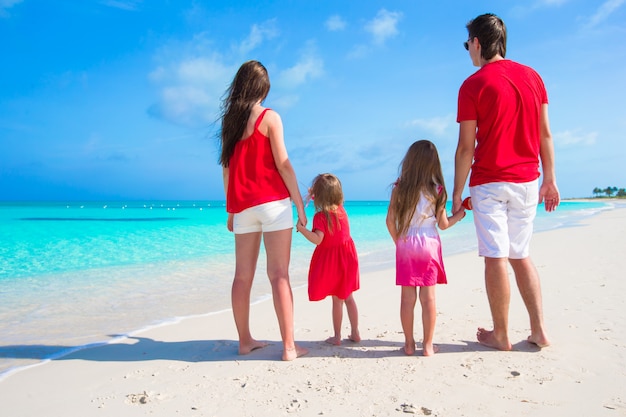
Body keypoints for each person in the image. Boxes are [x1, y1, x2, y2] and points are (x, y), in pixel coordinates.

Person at [453, 13, 560, 351]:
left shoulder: (473, 84)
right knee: (520, 254)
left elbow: (466, 148)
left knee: (496, 257)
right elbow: (545, 134)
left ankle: (501, 335)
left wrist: (456, 194)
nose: (468, 50)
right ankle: (539, 330)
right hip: (528, 180)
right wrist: (551, 179)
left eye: (467, 43)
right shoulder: (533, 77)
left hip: (489, 182)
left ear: (478, 43)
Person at [219, 60, 308, 361]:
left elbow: (227, 171)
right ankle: (289, 347)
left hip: (243, 208)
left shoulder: (229, 123)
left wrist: (231, 210)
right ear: (263, 88)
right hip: (273, 205)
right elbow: (283, 163)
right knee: (279, 275)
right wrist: (298, 202)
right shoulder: (270, 118)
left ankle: (245, 341)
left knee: (241, 277)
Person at [386, 140, 466, 356]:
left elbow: (390, 222)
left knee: (407, 298)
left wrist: (399, 243)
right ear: (434, 164)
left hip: (406, 243)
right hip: (429, 243)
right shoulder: (437, 190)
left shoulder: (399, 189)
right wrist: (459, 215)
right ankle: (428, 345)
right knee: (428, 298)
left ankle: (409, 344)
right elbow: (443, 224)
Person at [296, 173, 361, 346]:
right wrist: (316, 192)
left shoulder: (320, 217)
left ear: (319, 196)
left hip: (333, 261)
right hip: (348, 258)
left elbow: (318, 239)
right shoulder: (341, 209)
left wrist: (301, 229)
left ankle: (337, 336)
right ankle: (355, 332)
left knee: (337, 300)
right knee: (348, 297)